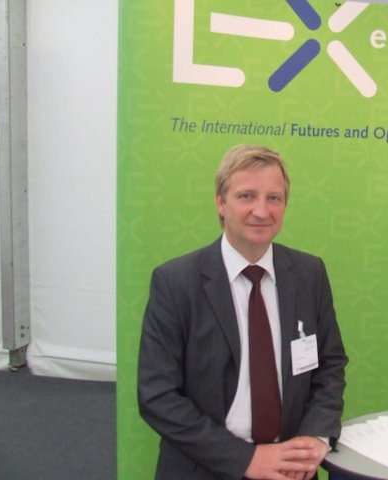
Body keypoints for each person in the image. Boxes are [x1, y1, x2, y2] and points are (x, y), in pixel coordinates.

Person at [138, 144, 348, 480]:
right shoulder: (176, 283)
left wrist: (315, 436)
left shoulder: (309, 274)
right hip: (204, 468)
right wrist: (245, 459)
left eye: (274, 198)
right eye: (247, 196)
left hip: (290, 468)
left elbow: (330, 365)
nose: (261, 211)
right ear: (221, 203)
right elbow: (157, 396)